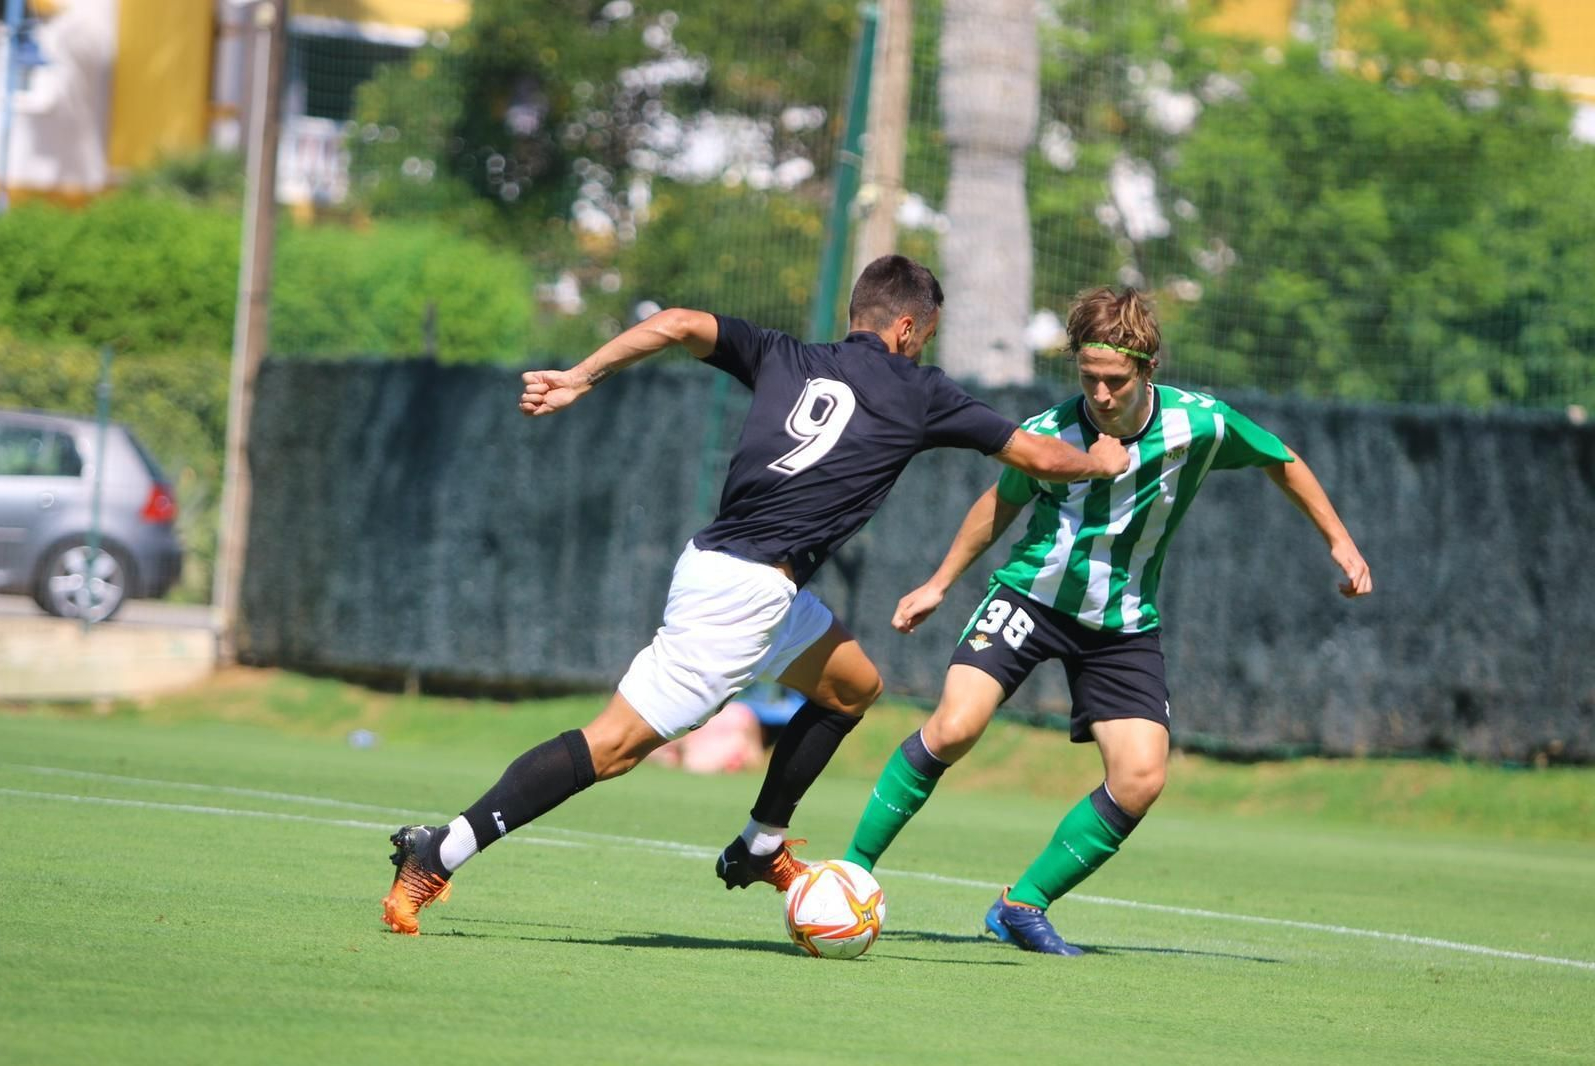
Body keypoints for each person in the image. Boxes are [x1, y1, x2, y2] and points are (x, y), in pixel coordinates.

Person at [380, 255, 1130, 934]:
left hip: (745, 579)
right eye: (924, 336)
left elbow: (677, 322)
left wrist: (581, 375)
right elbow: (1038, 456)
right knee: (611, 747)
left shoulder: (785, 354)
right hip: (739, 597)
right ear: (907, 329)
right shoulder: (919, 390)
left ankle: (761, 843)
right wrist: (1099, 462)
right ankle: (438, 852)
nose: (922, 349)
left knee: (851, 688)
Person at [841, 286, 1373, 955]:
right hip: (1031, 599)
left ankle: (1021, 905)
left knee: (1141, 777)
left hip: (1122, 625)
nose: (1099, 393)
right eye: (1088, 376)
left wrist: (1340, 541)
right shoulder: (1049, 432)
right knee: (955, 726)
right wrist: (939, 583)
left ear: (1148, 369)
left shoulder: (1200, 424)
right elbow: (999, 504)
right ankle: (851, 873)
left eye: (1115, 380)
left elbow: (1281, 460)